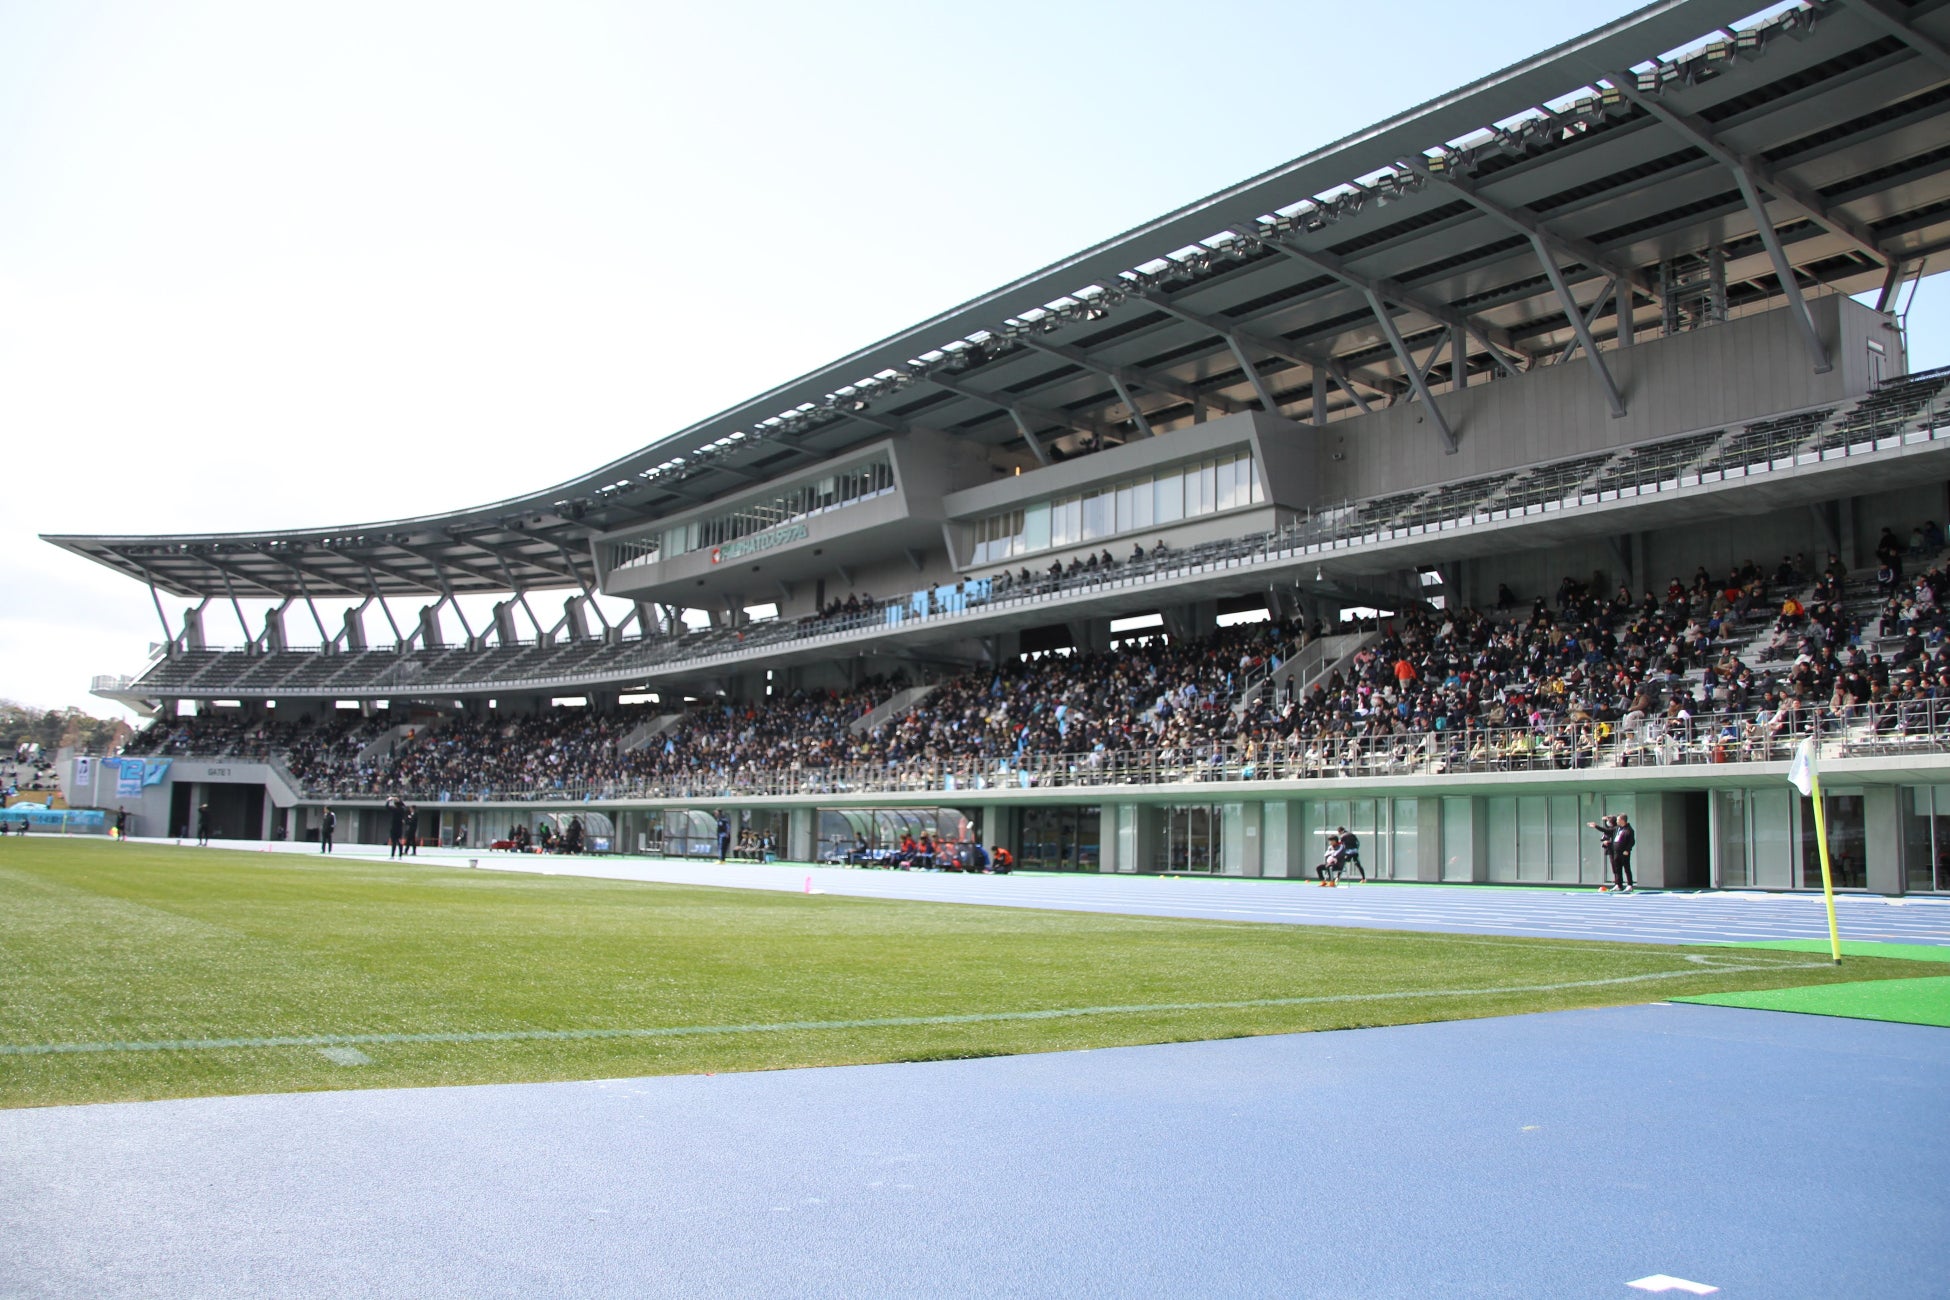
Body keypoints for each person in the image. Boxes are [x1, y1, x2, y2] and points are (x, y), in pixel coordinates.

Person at [1587, 815, 1616, 891]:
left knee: (1616, 866)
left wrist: (1596, 826)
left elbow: (1607, 830)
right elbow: (1607, 829)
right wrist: (1606, 820)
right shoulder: (1611, 828)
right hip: (1610, 849)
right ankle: (1616, 880)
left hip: (1615, 850)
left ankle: (1618, 882)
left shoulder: (1615, 828)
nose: (1607, 822)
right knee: (1614, 865)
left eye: (1609, 821)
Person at [1610, 814, 1637, 893]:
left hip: (1624, 852)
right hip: (1616, 852)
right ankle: (1619, 885)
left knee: (1626, 868)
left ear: (1622, 820)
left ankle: (1629, 885)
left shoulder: (1629, 830)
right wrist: (1596, 826)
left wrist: (1627, 850)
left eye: (1618, 820)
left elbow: (1632, 841)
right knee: (1617, 869)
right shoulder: (1618, 828)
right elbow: (1607, 830)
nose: (1617, 821)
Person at [387, 796, 406, 860]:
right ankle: (400, 856)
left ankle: (392, 855)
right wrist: (399, 800)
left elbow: (387, 807)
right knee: (400, 842)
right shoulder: (402, 810)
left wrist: (389, 800)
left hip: (393, 827)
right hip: (399, 828)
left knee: (394, 842)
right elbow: (404, 806)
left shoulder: (394, 809)